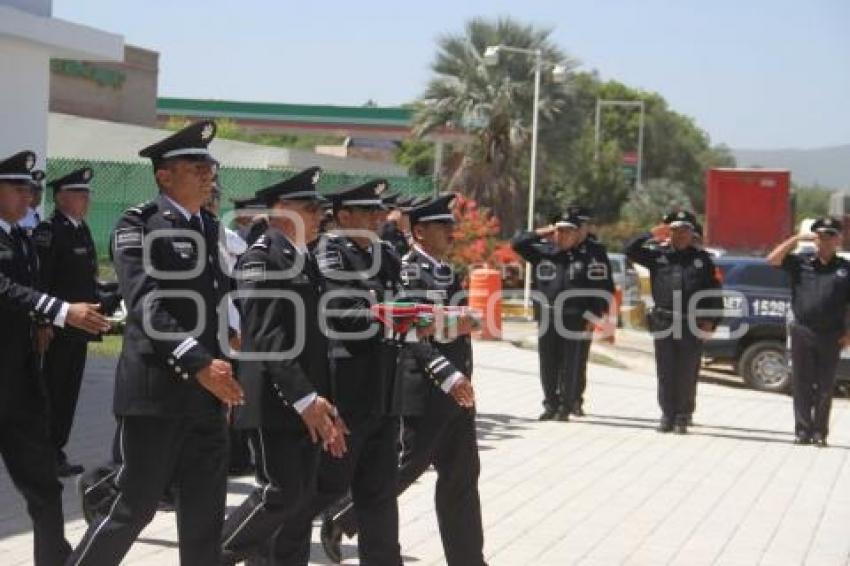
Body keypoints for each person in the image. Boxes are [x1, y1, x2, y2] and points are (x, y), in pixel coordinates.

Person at [66, 120, 245, 566]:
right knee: (135, 508)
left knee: (205, 518)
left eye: (210, 165)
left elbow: (215, 302)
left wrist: (229, 346)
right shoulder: (138, 223)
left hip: (205, 397)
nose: (208, 174)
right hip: (156, 394)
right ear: (164, 175)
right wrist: (200, 361)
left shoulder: (207, 226)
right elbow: (146, 304)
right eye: (196, 165)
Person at [264, 180, 465, 565]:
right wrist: (397, 317)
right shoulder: (329, 254)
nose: (378, 218)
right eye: (369, 212)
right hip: (346, 394)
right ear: (344, 217)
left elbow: (403, 308)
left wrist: (423, 318)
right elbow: (342, 314)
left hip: (383, 395)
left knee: (379, 496)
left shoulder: (386, 255)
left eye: (379, 211)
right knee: (321, 488)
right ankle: (269, 551)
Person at [320, 193, 484, 565]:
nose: (451, 232)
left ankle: (469, 560)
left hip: (457, 391)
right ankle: (342, 516)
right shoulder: (406, 270)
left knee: (462, 478)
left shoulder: (445, 269)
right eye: (443, 226)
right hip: (424, 388)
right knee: (405, 467)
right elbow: (409, 332)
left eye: (452, 225)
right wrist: (446, 374)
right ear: (420, 231)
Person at [219, 166, 349, 563]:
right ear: (280, 211)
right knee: (279, 493)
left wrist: (324, 402)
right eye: (310, 208)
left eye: (318, 209)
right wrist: (305, 398)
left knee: (299, 505)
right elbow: (266, 338)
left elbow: (314, 342)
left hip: (306, 399)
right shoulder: (262, 258)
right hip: (276, 399)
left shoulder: (303, 259)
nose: (318, 216)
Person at [0, 150, 110, 566]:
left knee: (44, 486)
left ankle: (54, 559)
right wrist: (61, 311)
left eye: (30, 188)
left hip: (20, 385)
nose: (28, 195)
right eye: (18, 188)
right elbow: (7, 291)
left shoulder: (21, 239)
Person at [32, 167, 121, 478]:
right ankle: (42, 454)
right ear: (61, 198)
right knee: (51, 391)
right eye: (80, 194)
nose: (87, 200)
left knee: (68, 392)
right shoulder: (49, 231)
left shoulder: (80, 230)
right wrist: (42, 322)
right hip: (57, 327)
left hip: (80, 328)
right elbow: (42, 281)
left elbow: (86, 279)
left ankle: (57, 449)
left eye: (88, 194)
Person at [625, 210, 722, 434]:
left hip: (691, 323)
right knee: (666, 370)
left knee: (687, 371)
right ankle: (667, 415)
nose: (681, 234)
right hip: (664, 320)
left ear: (691, 233)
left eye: (685, 230)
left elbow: (714, 292)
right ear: (669, 232)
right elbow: (630, 250)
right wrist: (651, 233)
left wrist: (710, 320)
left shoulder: (702, 259)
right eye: (676, 230)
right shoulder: (657, 255)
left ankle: (683, 415)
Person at [766, 217, 850, 446]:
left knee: (825, 386)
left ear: (838, 239)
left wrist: (848, 333)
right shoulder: (800, 263)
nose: (825, 240)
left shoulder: (845, 269)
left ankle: (820, 433)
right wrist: (796, 239)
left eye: (831, 235)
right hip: (803, 331)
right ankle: (802, 430)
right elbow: (772, 260)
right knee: (802, 383)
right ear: (814, 239)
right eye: (821, 236)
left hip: (831, 335)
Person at [511, 212, 602, 421]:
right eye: (559, 231)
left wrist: (593, 317)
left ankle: (566, 406)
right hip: (548, 316)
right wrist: (544, 231)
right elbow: (517, 243)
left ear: (576, 234)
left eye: (568, 231)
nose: (562, 235)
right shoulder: (544, 253)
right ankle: (550, 403)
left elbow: (596, 290)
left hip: (574, 318)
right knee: (548, 363)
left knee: (570, 364)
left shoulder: (586, 257)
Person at [568, 205, 615, 417]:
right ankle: (559, 399)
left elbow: (604, 286)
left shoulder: (596, 251)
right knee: (557, 360)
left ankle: (575, 399)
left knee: (577, 361)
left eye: (581, 226)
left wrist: (597, 315)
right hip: (558, 314)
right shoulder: (559, 245)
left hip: (584, 313)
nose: (577, 230)